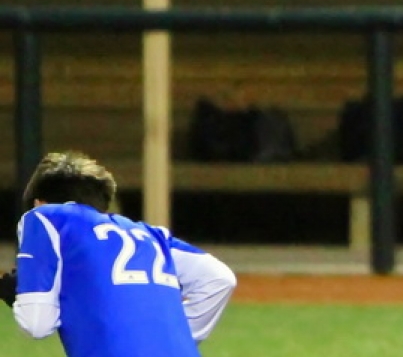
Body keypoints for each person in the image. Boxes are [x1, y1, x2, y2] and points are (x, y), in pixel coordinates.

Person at [0, 151, 237, 357]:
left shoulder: (44, 216)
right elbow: (219, 279)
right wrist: (161, 337)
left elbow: (36, 324)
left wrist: (24, 297)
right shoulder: (151, 236)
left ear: (39, 203)